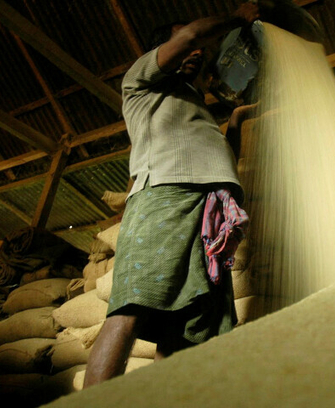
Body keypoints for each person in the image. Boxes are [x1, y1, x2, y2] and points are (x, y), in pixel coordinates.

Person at [83, 3, 261, 388]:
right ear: (160, 53)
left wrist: (234, 122)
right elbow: (193, 36)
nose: (197, 53)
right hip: (165, 198)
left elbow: (224, 160)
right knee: (132, 305)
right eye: (188, 47)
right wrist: (240, 16)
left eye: (200, 52)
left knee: (184, 330)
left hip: (211, 213)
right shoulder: (141, 84)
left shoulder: (194, 109)